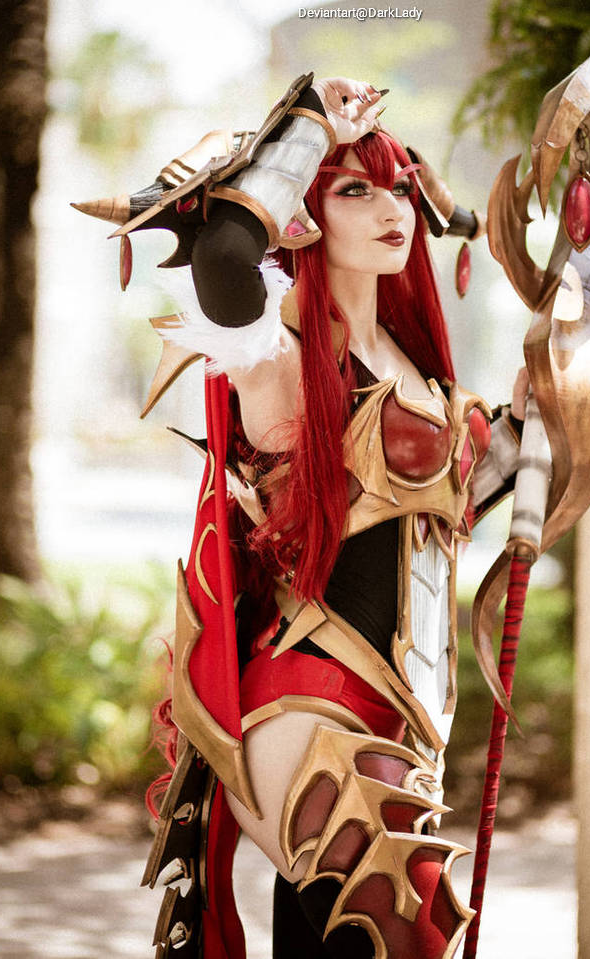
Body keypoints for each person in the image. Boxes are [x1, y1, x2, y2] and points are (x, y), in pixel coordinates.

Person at [77, 73, 527, 959]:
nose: (390, 206)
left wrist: (550, 391)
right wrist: (309, 128)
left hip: (404, 719)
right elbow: (223, 262)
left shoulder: (419, 369)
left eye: (398, 185)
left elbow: (457, 503)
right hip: (318, 709)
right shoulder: (280, 358)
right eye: (354, 189)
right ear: (307, 215)